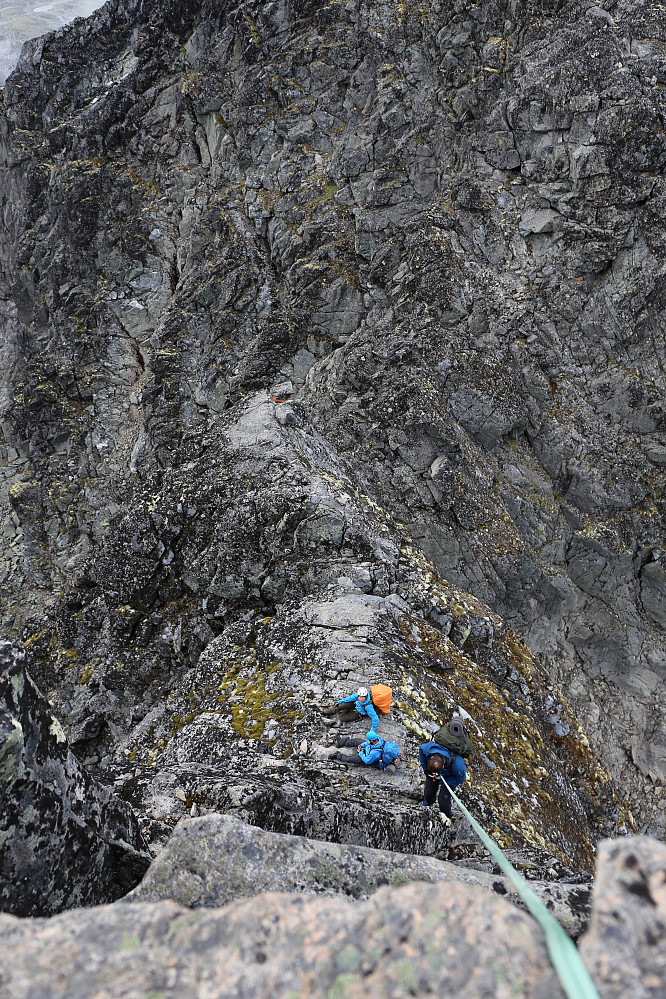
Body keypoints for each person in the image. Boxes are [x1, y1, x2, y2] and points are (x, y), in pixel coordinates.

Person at [418, 739, 466, 826]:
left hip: (449, 777)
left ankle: (447, 818)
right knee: (428, 793)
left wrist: (443, 781)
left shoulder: (457, 765)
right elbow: (421, 751)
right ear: (431, 758)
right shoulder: (427, 749)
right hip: (432, 771)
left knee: (443, 800)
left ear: (443, 766)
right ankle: (426, 807)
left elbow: (460, 778)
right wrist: (426, 770)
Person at [326, 730, 397, 772]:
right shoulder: (379, 739)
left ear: (372, 740)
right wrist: (362, 746)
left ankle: (337, 756)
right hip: (369, 749)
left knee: (350, 759)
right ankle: (340, 742)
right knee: (357, 741)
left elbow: (367, 760)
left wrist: (361, 753)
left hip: (367, 758)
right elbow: (368, 743)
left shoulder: (375, 753)